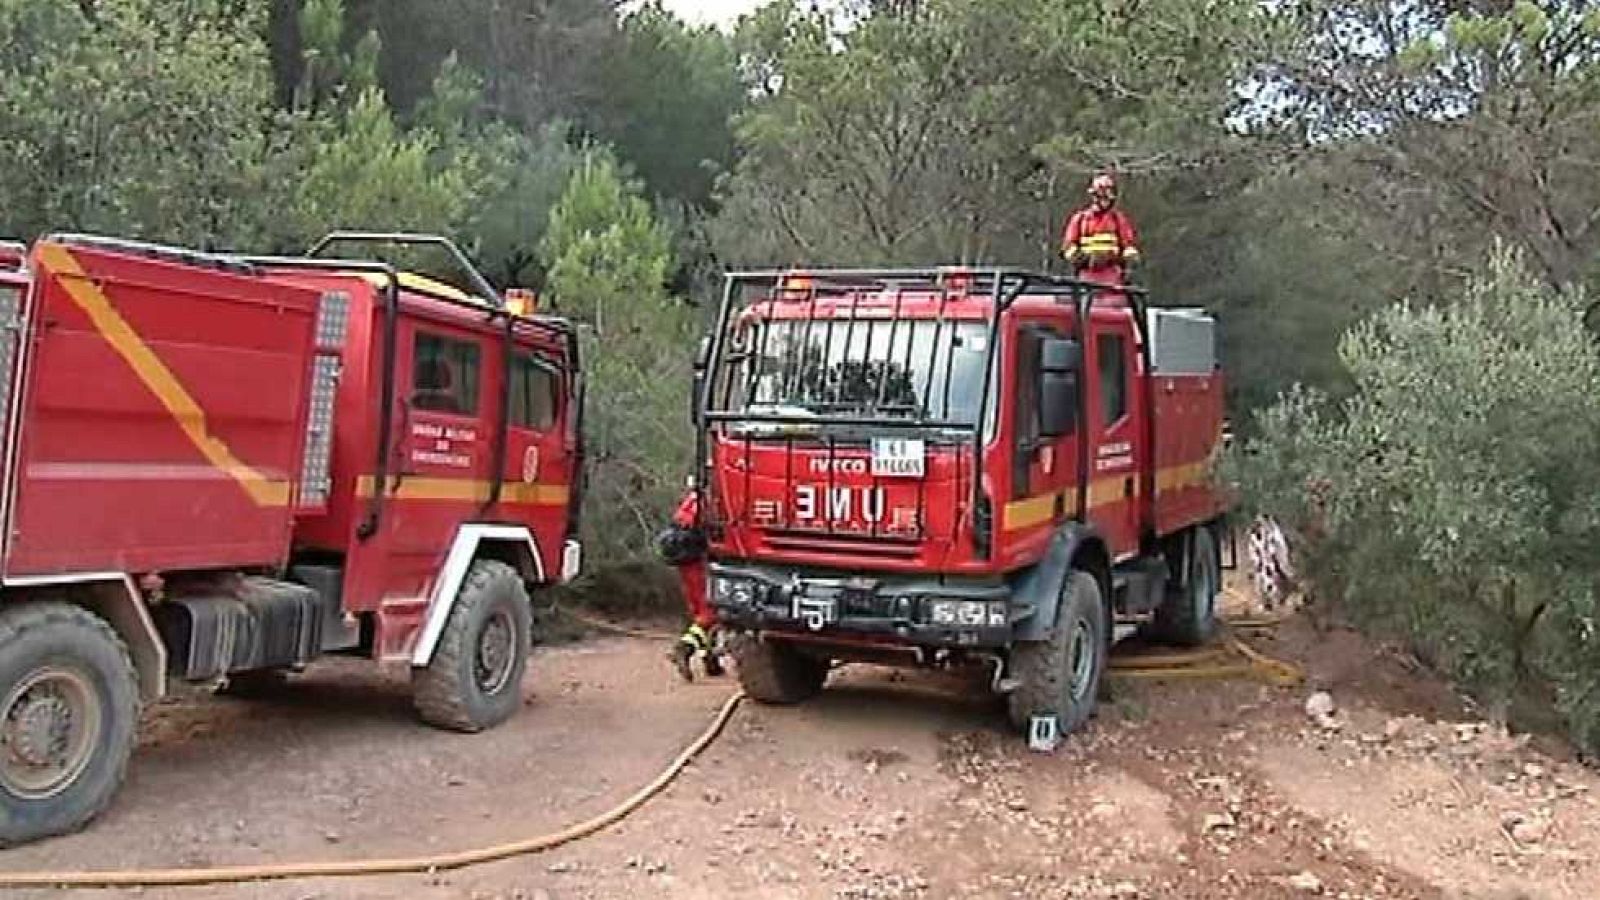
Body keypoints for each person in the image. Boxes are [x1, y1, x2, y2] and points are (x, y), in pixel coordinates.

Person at [656, 483, 725, 680]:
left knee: (697, 609)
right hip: (698, 560)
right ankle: (684, 648)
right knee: (710, 613)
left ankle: (710, 661)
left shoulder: (691, 500)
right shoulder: (711, 502)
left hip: (684, 560)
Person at [1060, 173, 1141, 288]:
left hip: (1112, 273)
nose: (1106, 202)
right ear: (1095, 197)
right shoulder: (1080, 219)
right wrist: (1083, 259)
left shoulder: (1117, 219)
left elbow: (1129, 246)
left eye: (1108, 199)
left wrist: (1129, 266)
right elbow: (1068, 247)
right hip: (1086, 274)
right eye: (1103, 198)